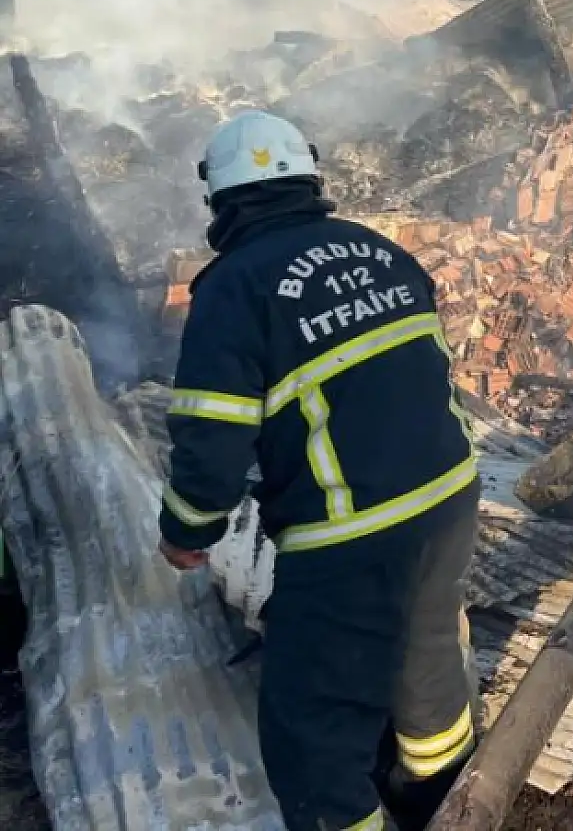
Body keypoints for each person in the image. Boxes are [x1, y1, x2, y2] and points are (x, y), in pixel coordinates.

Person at [157, 109, 482, 831]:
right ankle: (446, 803)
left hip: (350, 532)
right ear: (309, 178)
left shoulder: (233, 288)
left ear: (220, 199)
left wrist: (187, 529)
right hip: (450, 498)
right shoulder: (380, 250)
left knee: (310, 732)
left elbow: (212, 437)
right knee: (427, 663)